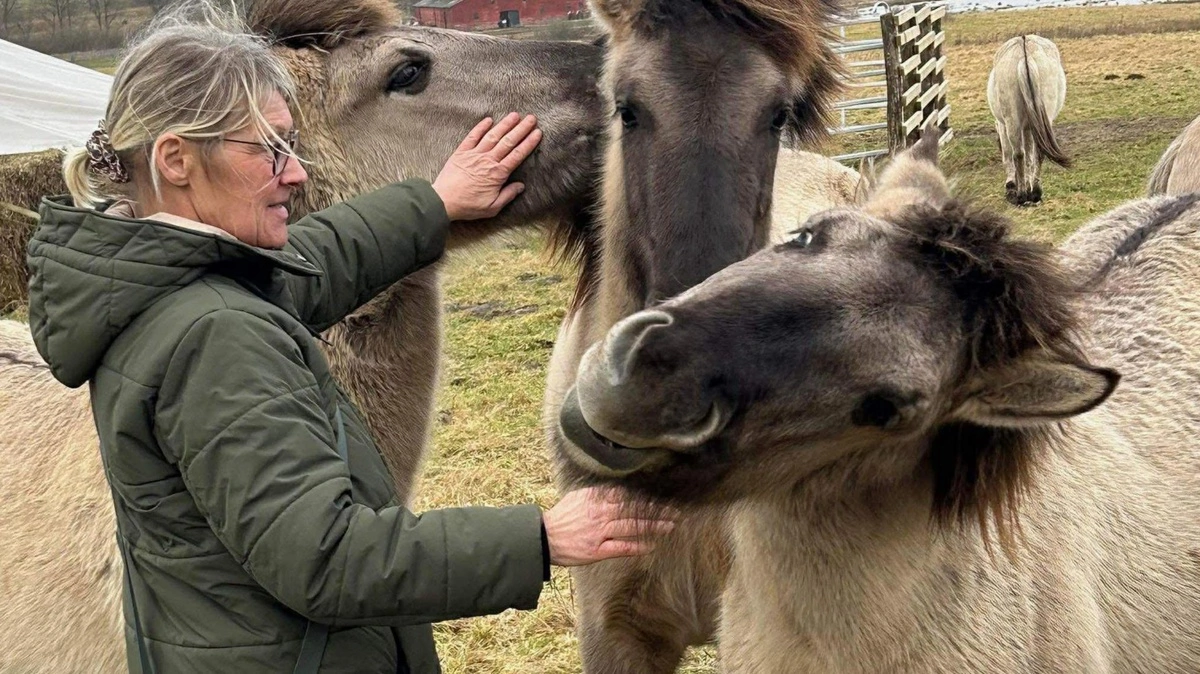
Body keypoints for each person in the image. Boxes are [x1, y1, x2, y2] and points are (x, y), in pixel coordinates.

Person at [26, 6, 673, 674]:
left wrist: (432, 203)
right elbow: (328, 559)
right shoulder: (214, 337)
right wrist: (541, 538)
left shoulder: (164, 284)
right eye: (268, 150)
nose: (296, 172)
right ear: (178, 160)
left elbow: (312, 264)